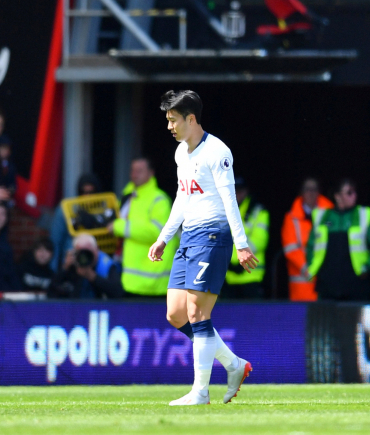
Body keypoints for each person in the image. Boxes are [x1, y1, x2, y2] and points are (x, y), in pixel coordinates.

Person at [147, 90, 257, 406]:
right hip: (188, 237)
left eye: (173, 120)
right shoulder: (182, 153)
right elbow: (183, 197)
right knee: (175, 313)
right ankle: (234, 365)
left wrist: (241, 244)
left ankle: (201, 392)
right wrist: (164, 237)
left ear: (191, 119)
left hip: (212, 237)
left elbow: (229, 200)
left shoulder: (217, 152)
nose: (169, 127)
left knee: (197, 313)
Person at [306, 178, 370, 301]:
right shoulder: (321, 216)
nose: (354, 195)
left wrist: (369, 267)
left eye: (354, 192)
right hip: (327, 284)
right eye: (349, 192)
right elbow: (311, 245)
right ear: (337, 196)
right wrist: (314, 266)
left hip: (356, 283)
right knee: (326, 319)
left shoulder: (364, 214)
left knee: (356, 319)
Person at [108, 157, 175, 297]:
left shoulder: (159, 200)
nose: (134, 174)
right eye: (132, 170)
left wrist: (119, 227)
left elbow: (158, 233)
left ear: (151, 173)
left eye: (139, 171)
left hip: (154, 283)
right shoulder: (127, 196)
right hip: (129, 279)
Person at [281, 177, 333, 301]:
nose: (311, 193)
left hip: (327, 282)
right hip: (302, 285)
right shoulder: (291, 218)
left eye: (314, 189)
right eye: (307, 189)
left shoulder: (330, 214)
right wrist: (309, 270)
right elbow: (291, 249)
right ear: (302, 192)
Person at [222, 177, 270, 299]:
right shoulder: (224, 210)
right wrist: (227, 263)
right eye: (235, 190)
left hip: (251, 276)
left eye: (240, 190)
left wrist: (241, 259)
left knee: (254, 317)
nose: (237, 193)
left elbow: (260, 240)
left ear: (246, 191)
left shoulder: (258, 210)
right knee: (229, 317)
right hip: (229, 276)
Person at [49, 173, 102, 272]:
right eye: (83, 192)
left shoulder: (104, 209)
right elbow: (55, 242)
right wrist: (54, 273)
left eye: (91, 192)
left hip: (98, 265)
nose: (87, 196)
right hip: (73, 264)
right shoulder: (66, 209)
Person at [49, 233, 124, 299]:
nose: (85, 257)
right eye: (81, 252)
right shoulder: (73, 263)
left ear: (97, 249)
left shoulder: (107, 265)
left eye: (88, 252)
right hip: (74, 310)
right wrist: (65, 268)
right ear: (75, 252)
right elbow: (51, 291)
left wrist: (92, 276)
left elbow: (118, 293)